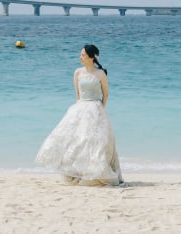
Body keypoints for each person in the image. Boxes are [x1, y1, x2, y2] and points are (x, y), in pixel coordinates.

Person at [35, 44, 123, 186]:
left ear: (92, 57)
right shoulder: (77, 73)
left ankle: (94, 173)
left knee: (95, 143)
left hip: (96, 108)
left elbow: (106, 94)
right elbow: (77, 95)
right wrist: (80, 109)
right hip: (80, 108)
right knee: (76, 141)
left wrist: (99, 110)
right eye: (80, 55)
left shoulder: (100, 74)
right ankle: (76, 173)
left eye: (83, 55)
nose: (80, 58)